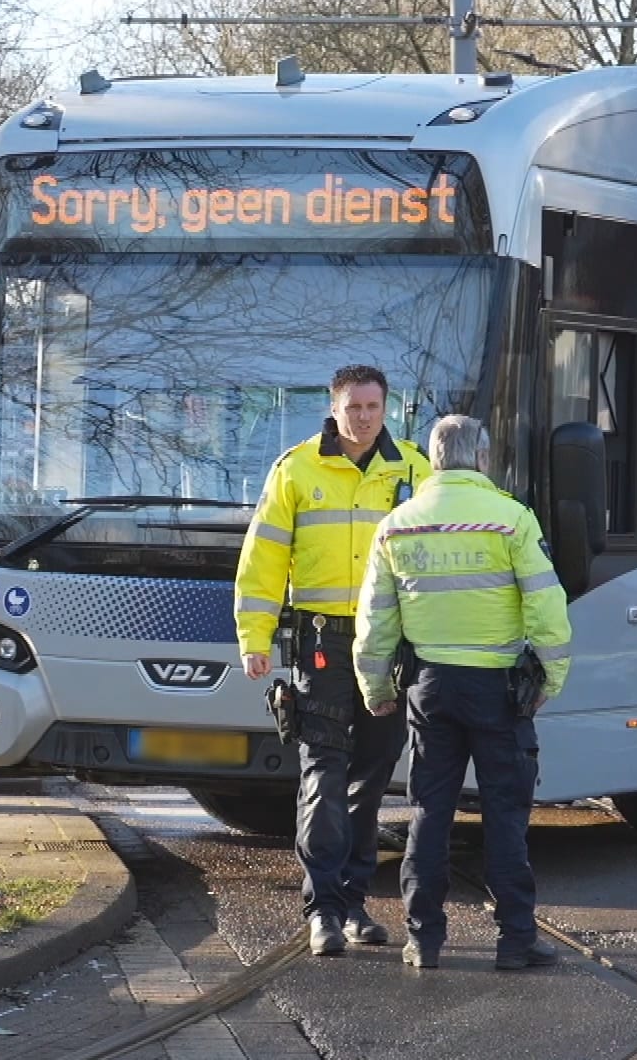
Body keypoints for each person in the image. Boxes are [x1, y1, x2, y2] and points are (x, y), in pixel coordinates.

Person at [353, 415, 574, 971]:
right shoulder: (511, 520)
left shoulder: (397, 525)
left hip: (431, 688)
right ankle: (515, 940)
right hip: (499, 689)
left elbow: (376, 620)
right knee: (505, 814)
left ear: (432, 459)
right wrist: (551, 676)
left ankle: (423, 939)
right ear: (480, 458)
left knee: (430, 811)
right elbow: (547, 604)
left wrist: (376, 687)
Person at [234, 365, 431, 956]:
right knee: (324, 768)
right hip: (321, 641)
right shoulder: (297, 469)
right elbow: (263, 559)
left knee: (371, 777)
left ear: (386, 408)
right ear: (334, 406)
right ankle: (322, 908)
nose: (364, 417)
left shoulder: (416, 470)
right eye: (354, 407)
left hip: (389, 644)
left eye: (373, 407)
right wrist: (255, 637)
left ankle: (352, 903)